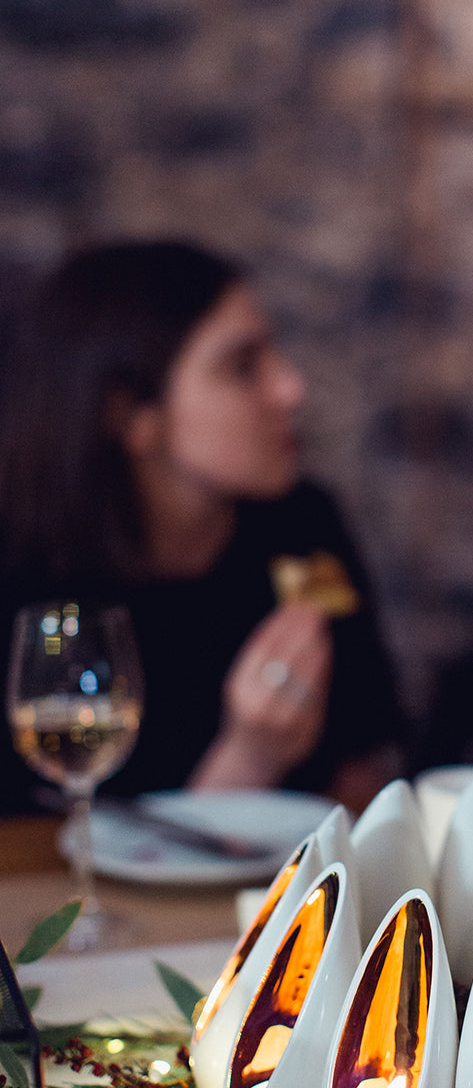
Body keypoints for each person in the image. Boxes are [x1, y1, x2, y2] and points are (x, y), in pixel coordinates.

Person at [0, 240, 402, 815]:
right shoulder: (22, 577)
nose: (290, 389)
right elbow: (42, 853)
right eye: (243, 367)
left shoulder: (301, 526)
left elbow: (364, 771)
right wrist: (251, 757)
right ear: (131, 415)